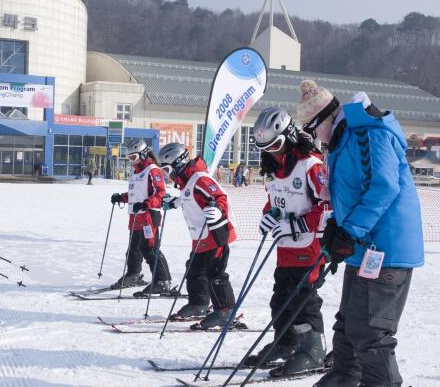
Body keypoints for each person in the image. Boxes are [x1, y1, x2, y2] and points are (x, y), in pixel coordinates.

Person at [295, 80, 424, 387]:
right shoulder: (344, 139)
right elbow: (351, 192)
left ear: (322, 121)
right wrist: (336, 228)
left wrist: (349, 230)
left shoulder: (368, 133)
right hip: (363, 246)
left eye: (312, 131)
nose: (314, 139)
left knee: (371, 330)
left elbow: (384, 186)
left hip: (387, 247)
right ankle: (345, 375)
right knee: (349, 322)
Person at [244, 107, 330, 376]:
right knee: (280, 299)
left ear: (290, 135)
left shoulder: (310, 165)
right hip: (286, 247)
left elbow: (328, 206)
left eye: (277, 145)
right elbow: (276, 200)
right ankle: (286, 343)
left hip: (309, 245)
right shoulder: (276, 167)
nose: (273, 152)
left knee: (303, 299)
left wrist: (297, 223)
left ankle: (313, 349)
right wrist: (268, 216)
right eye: (266, 147)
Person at [158, 143, 237, 330]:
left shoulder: (200, 178)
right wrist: (174, 202)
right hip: (200, 237)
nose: (168, 175)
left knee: (214, 274)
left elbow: (220, 197)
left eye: (168, 169)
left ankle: (225, 311)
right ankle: (198, 304)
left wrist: (217, 210)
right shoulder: (188, 182)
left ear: (179, 163)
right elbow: (190, 197)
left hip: (215, 233)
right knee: (194, 271)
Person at [110, 139, 172, 296]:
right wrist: (121, 197)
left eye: (133, 157)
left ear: (143, 154)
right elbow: (135, 195)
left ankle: (162, 281)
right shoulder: (137, 172)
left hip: (149, 216)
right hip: (135, 216)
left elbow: (160, 194)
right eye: (129, 158)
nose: (131, 161)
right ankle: (133, 274)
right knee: (133, 249)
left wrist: (146, 204)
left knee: (150, 249)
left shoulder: (153, 170)